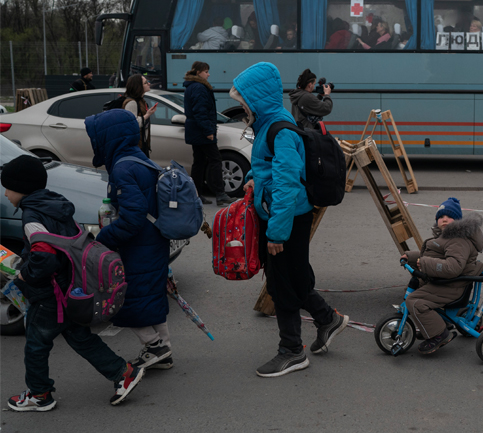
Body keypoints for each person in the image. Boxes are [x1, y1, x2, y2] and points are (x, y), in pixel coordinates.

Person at [230, 62, 349, 377]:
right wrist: (255, 177)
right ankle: (327, 319)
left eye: (244, 102)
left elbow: (286, 184)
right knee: (293, 279)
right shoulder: (269, 123)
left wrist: (276, 234)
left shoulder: (279, 129)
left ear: (257, 99)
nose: (242, 108)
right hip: (285, 217)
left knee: (283, 285)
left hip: (287, 220)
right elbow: (269, 166)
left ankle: (293, 351)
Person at [2, 155, 145, 411]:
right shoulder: (55, 203)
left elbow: (45, 258)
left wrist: (26, 274)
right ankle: (123, 373)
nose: (5, 193)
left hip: (49, 296)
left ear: (21, 188)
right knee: (80, 338)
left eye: (7, 187)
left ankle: (39, 394)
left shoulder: (32, 216)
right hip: (70, 288)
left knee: (36, 345)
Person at [85, 109, 174, 372]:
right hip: (153, 240)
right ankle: (163, 349)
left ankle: (155, 346)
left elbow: (133, 217)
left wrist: (104, 238)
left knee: (126, 298)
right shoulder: (139, 159)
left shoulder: (123, 167)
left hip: (138, 245)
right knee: (150, 295)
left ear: (108, 138)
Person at [401, 198, 483, 355]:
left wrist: (424, 263)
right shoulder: (445, 237)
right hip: (443, 282)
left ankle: (439, 333)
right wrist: (411, 257)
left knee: (415, 301)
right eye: (441, 217)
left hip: (452, 286)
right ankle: (434, 324)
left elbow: (452, 267)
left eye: (449, 216)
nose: (444, 219)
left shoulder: (458, 240)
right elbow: (431, 255)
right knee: (413, 291)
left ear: (458, 221)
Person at [183, 61, 236, 206]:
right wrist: (208, 131)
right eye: (206, 71)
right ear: (199, 72)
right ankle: (220, 194)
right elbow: (200, 112)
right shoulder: (199, 88)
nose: (208, 74)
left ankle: (196, 194)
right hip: (202, 131)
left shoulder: (191, 86)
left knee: (199, 163)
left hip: (195, 130)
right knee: (215, 160)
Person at [122, 75, 157, 157]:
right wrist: (147, 115)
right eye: (145, 83)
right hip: (135, 146)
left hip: (141, 144)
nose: (149, 84)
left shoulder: (141, 100)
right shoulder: (132, 102)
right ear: (138, 87)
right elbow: (132, 124)